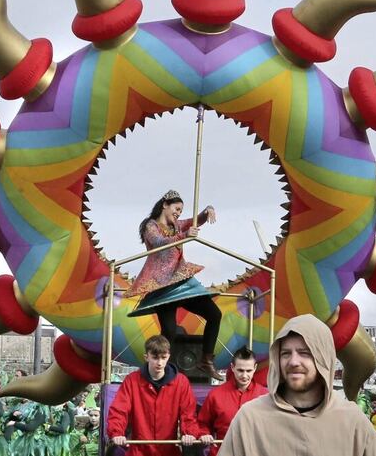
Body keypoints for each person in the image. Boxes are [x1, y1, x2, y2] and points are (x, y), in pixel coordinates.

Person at [218, 314, 376, 456]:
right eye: (286, 353)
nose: (293, 361)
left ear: (323, 358)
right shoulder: (250, 418)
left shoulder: (352, 420)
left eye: (304, 353)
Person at [124, 190, 223, 380]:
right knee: (169, 331)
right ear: (165, 205)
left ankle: (206, 361)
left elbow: (195, 221)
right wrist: (185, 235)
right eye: (176, 209)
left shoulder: (177, 225)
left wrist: (206, 211)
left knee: (214, 314)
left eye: (180, 211)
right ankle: (163, 372)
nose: (178, 213)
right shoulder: (150, 226)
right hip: (163, 288)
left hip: (181, 283)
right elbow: (160, 242)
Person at [106, 334, 202, 456]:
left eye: (163, 357)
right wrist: (117, 432)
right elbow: (119, 410)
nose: (160, 363)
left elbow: (188, 413)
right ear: (146, 357)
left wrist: (189, 433)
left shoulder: (181, 382)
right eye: (155, 357)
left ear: (169, 357)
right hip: (138, 452)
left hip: (168, 451)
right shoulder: (132, 380)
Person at [197, 346, 268, 456]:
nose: (244, 375)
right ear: (232, 367)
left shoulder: (265, 396)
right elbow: (202, 423)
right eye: (240, 370)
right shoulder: (215, 395)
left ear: (255, 368)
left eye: (248, 371)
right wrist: (204, 434)